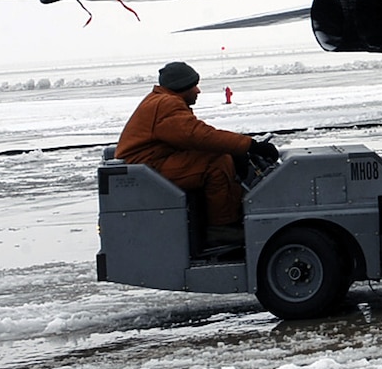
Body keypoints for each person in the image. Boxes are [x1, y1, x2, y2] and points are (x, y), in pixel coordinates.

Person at [116, 61, 276, 244]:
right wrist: (250, 146)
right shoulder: (167, 104)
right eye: (194, 86)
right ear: (181, 87)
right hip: (147, 170)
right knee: (216, 163)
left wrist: (236, 148)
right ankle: (222, 228)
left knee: (219, 155)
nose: (198, 91)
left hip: (148, 164)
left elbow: (191, 137)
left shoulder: (160, 100)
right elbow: (199, 135)